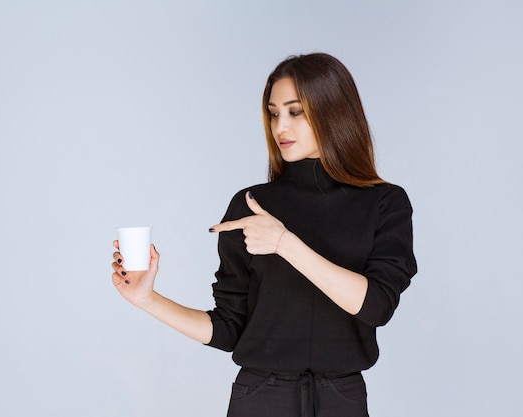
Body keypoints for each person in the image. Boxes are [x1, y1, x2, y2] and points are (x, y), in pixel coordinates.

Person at [111, 52, 417, 417]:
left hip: (342, 399)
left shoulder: (385, 202)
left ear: (333, 110)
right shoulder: (251, 204)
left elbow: (377, 306)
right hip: (259, 398)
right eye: (273, 113)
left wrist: (283, 243)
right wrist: (147, 299)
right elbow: (229, 329)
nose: (280, 127)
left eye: (295, 111)